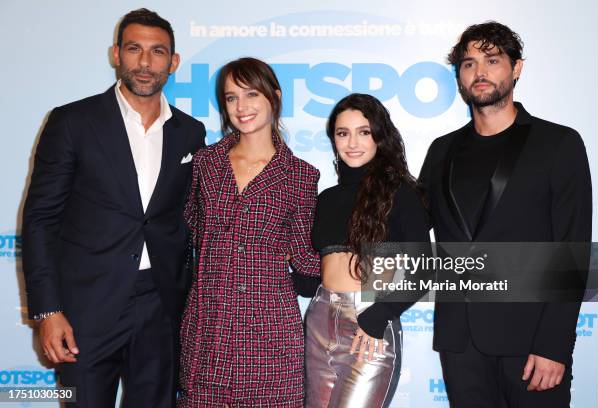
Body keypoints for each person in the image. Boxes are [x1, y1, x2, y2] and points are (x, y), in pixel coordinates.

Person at [21, 8, 205, 407]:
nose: (145, 62)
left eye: (157, 52)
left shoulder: (190, 132)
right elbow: (40, 221)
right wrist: (48, 310)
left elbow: (189, 220)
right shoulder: (72, 121)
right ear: (115, 54)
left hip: (160, 305)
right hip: (86, 308)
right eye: (134, 49)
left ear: (172, 62)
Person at [419, 21, 592, 407]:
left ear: (516, 68)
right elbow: (410, 222)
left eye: (492, 60)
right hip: (461, 344)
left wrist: (554, 344)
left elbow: (573, 251)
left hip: (532, 345)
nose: (479, 72)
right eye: (468, 64)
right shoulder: (441, 151)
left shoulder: (558, 143)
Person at [178, 57, 320, 407]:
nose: (241, 107)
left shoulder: (301, 176)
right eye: (231, 97)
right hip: (208, 328)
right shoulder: (205, 163)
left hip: (270, 333)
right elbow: (190, 232)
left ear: (275, 96)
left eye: (251, 94)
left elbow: (304, 257)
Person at [303, 93, 430, 408]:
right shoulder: (327, 198)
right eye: (342, 133)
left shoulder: (401, 194)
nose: (352, 142)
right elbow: (320, 273)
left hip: (367, 323)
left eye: (364, 131)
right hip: (318, 321)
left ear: (379, 136)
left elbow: (423, 269)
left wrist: (378, 316)